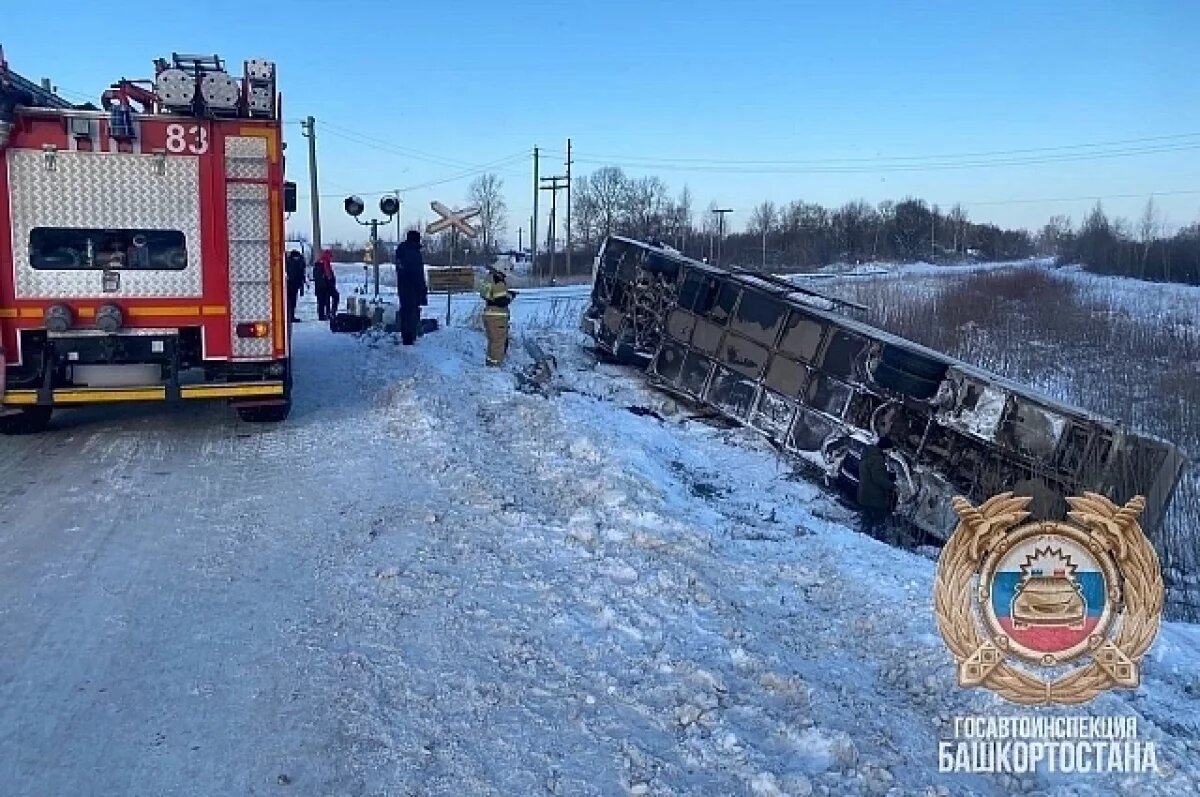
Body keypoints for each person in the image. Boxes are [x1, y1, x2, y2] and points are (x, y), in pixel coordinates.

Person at [857, 435, 898, 539]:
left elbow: (873, 475)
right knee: (880, 521)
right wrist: (892, 485)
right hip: (874, 497)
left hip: (864, 494)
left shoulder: (868, 455)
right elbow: (878, 478)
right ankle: (879, 540)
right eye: (890, 449)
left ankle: (864, 538)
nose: (890, 452)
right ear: (885, 448)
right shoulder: (878, 460)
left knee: (867, 520)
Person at [394, 230, 428, 345]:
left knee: (405, 311)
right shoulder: (413, 253)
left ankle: (406, 337)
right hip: (412, 288)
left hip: (403, 286)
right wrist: (422, 289)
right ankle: (410, 338)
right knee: (411, 312)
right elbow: (417, 273)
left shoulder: (401, 251)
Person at [479, 269, 515, 366]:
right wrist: (511, 296)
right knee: (498, 343)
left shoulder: (489, 278)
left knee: (493, 341)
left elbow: (491, 295)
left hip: (489, 313)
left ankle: (490, 363)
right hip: (497, 317)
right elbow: (501, 301)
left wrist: (505, 293)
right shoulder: (498, 280)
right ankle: (495, 366)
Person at [312, 248, 339, 321]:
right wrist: (329, 283)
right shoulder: (324, 264)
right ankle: (328, 314)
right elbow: (326, 277)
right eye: (330, 256)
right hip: (324, 287)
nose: (331, 258)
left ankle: (327, 314)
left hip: (323, 287)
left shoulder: (322, 264)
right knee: (327, 299)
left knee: (324, 301)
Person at [285, 249, 307, 322]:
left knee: (292, 302)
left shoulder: (290, 262)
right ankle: (290, 317)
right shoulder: (294, 263)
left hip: (292, 285)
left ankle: (290, 316)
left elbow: (301, 274)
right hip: (291, 285)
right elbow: (299, 274)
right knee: (291, 302)